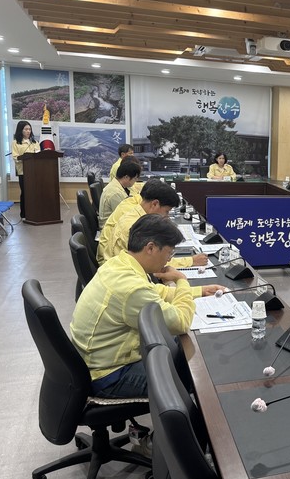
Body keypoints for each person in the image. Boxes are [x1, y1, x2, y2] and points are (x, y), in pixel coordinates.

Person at [71, 214, 225, 399]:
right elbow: (180, 322)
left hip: (99, 361)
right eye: (169, 253)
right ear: (150, 248)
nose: (168, 261)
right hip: (110, 376)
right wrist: (181, 280)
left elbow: (153, 292)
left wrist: (199, 291)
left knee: (181, 351)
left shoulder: (120, 263)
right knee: (192, 379)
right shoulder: (130, 287)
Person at [97, 178, 208, 273]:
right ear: (154, 204)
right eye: (166, 211)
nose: (167, 217)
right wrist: (191, 261)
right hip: (120, 275)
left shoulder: (135, 213)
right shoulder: (135, 226)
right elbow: (154, 262)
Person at [99, 158, 141, 229]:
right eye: (135, 178)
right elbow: (126, 215)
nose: (136, 181)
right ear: (126, 177)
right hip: (110, 229)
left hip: (115, 224)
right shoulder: (116, 193)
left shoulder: (117, 185)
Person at [11, 121, 40, 220]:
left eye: (29, 129)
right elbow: (15, 157)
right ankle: (24, 214)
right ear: (21, 130)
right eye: (26, 129)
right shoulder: (16, 143)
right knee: (25, 192)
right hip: (23, 172)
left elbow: (39, 156)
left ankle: (36, 212)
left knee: (35, 192)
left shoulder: (35, 142)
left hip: (35, 172)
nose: (28, 131)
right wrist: (25, 158)